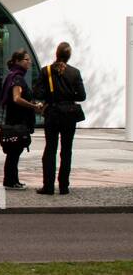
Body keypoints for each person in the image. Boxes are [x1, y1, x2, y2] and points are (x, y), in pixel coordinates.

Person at [32, 42, 87, 196]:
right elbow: (82, 96)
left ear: (56, 54)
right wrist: (69, 96)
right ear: (69, 56)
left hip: (53, 113)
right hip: (69, 114)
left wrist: (51, 96)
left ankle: (48, 186)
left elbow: (38, 93)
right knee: (67, 150)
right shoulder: (75, 73)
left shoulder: (46, 71)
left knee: (50, 149)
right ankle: (64, 186)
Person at [0, 50, 43, 189]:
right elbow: (16, 98)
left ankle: (12, 180)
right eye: (26, 59)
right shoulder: (17, 77)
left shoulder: (15, 76)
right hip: (16, 121)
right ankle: (11, 181)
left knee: (14, 152)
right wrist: (33, 106)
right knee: (14, 152)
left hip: (15, 119)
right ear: (18, 61)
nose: (29, 62)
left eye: (29, 60)